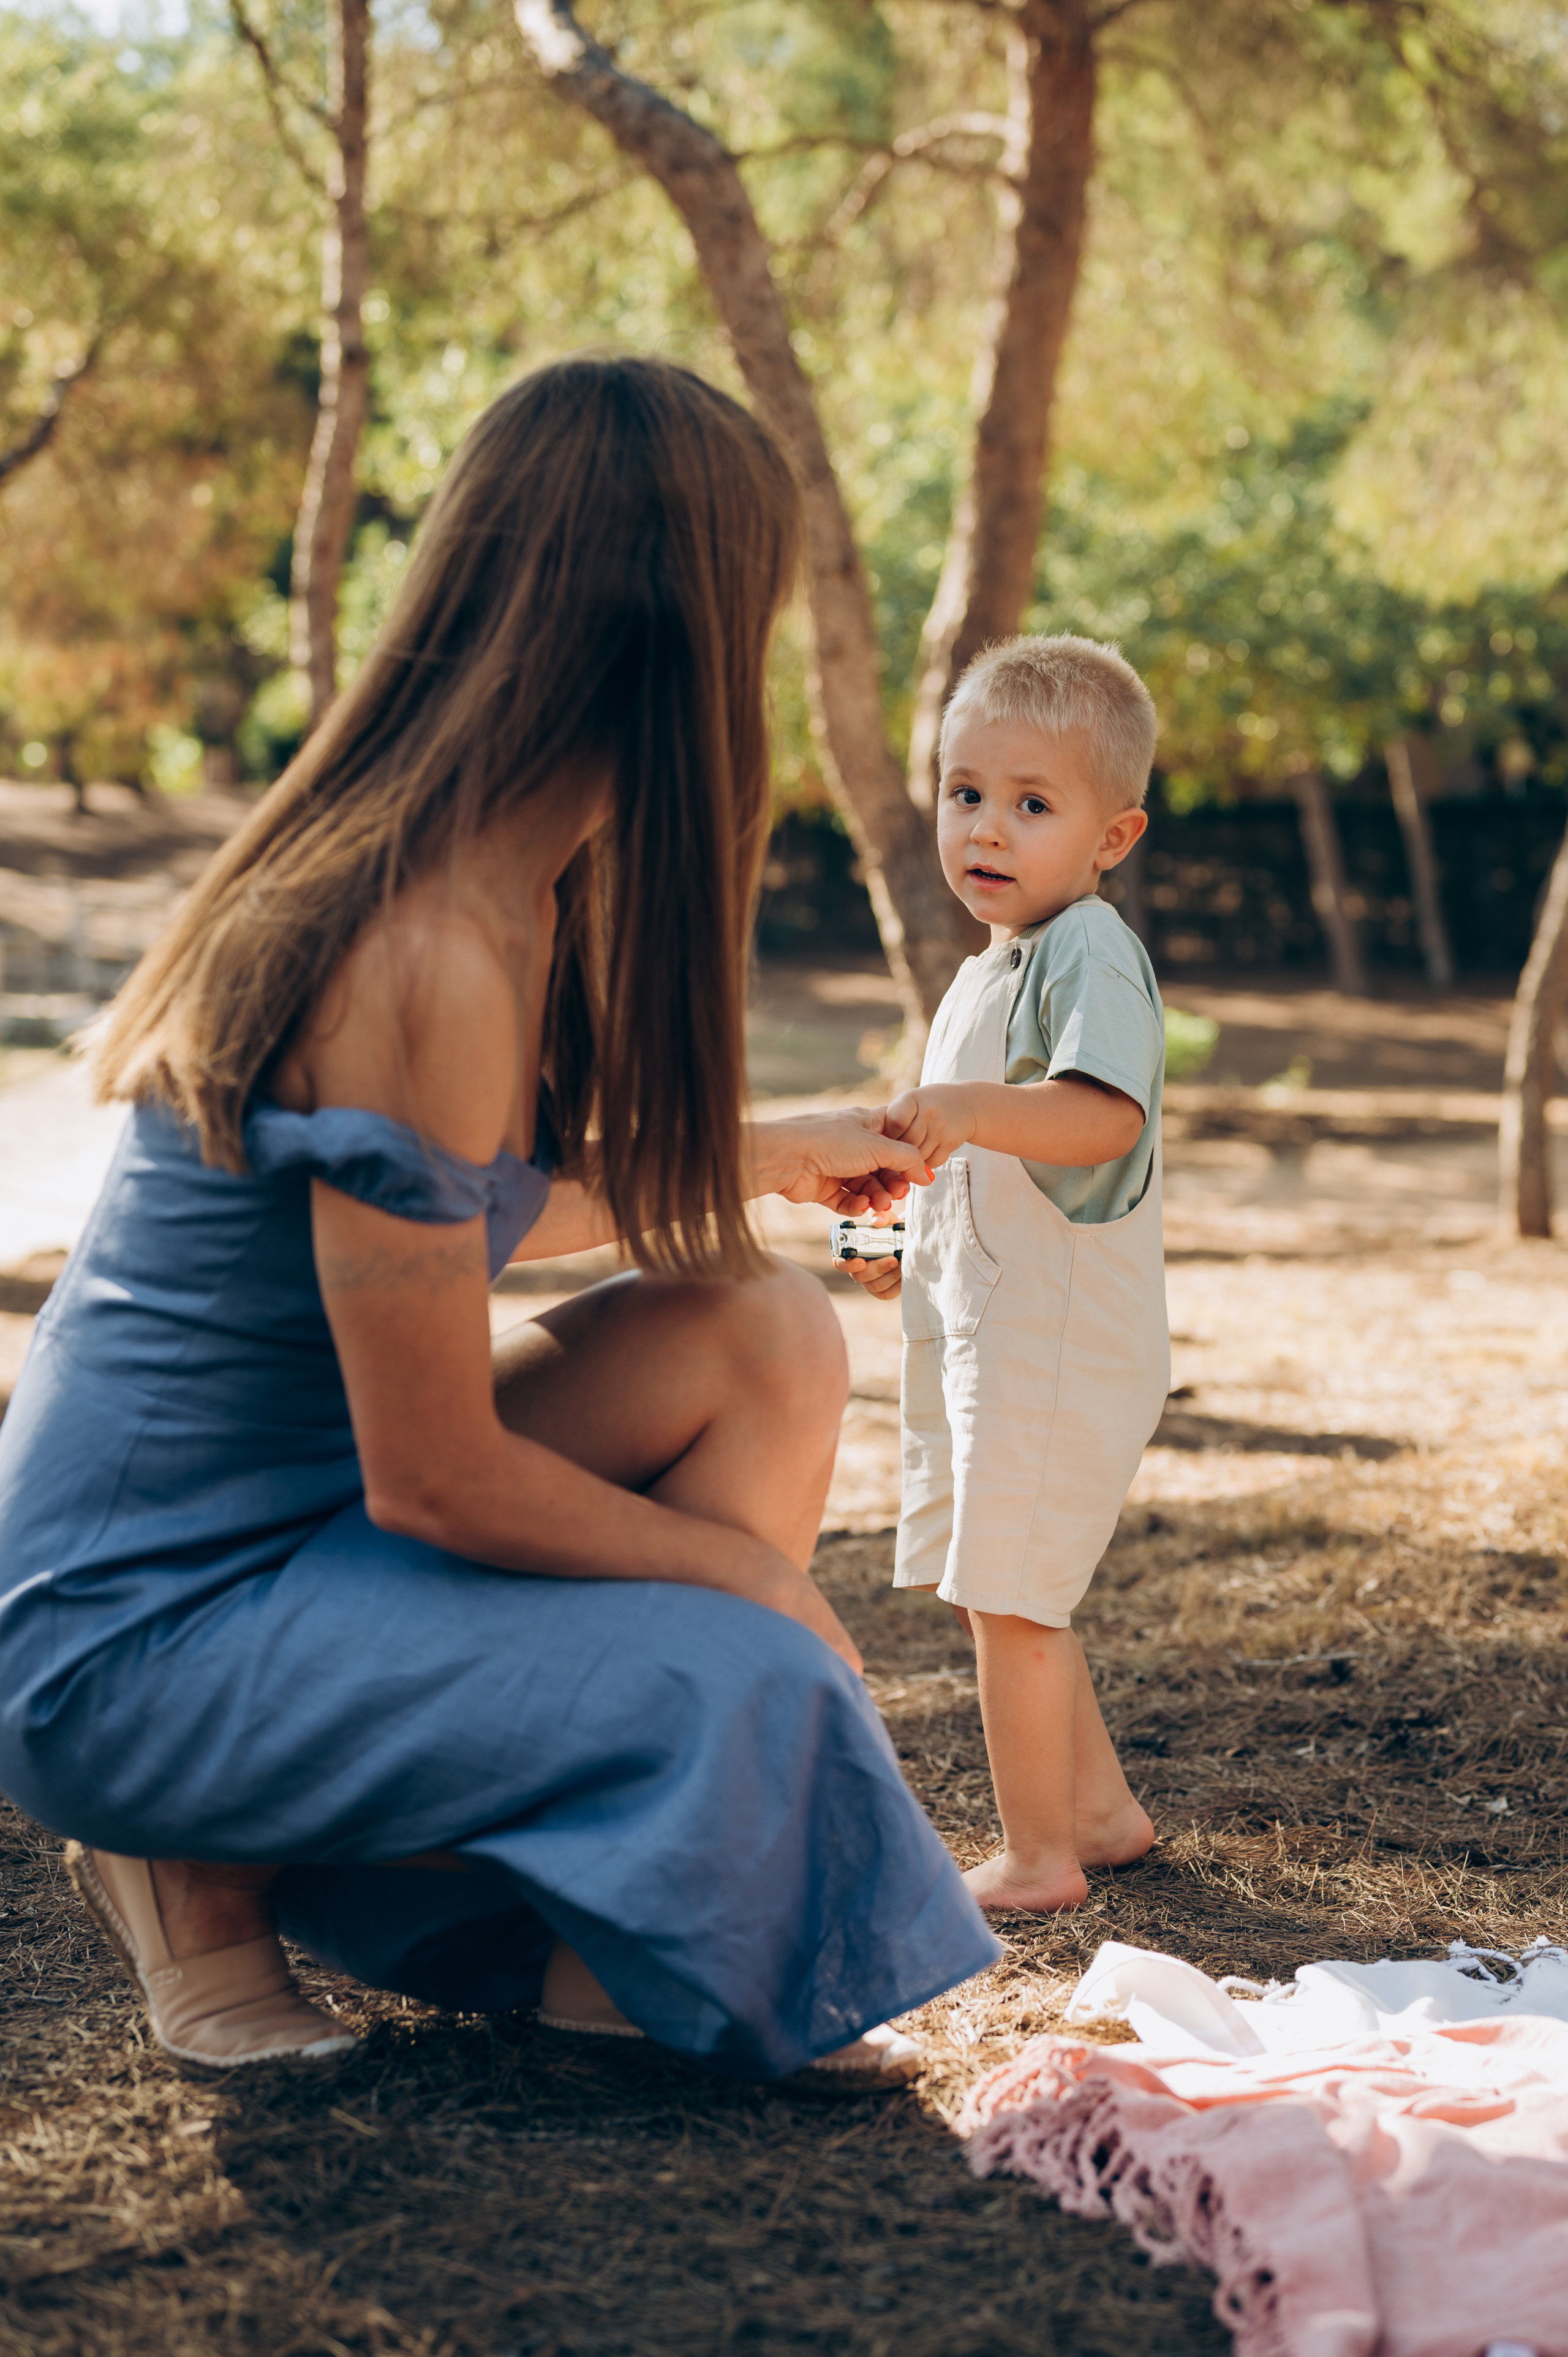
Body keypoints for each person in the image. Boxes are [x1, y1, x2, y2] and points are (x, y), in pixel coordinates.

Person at [0, 356, 1000, 2082]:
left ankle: (570, 1902)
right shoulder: (425, 942)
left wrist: (765, 1154)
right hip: (135, 1636)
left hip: (297, 1537)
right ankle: (195, 1857)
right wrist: (755, 1589)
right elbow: (438, 1480)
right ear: (682, 628)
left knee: (756, 1326)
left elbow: (460, 1214)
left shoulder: (515, 877)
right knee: (747, 1678)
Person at [837, 635, 1169, 1915]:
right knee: (1002, 1579)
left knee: (1009, 1594)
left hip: (1060, 1335)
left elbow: (1097, 1120)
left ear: (1109, 835)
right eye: (965, 793)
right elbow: (971, 1151)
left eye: (1032, 804)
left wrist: (970, 1106)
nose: (986, 827)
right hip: (992, 1326)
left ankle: (1038, 1858)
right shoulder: (989, 964)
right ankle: (1096, 1811)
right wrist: (891, 1232)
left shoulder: (1086, 949)